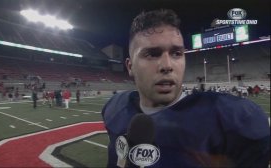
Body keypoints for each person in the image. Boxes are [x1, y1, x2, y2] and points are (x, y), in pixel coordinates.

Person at [102, 9, 270, 168]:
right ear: (130, 66)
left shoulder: (232, 119)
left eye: (176, 53)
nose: (167, 66)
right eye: (152, 54)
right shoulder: (115, 109)